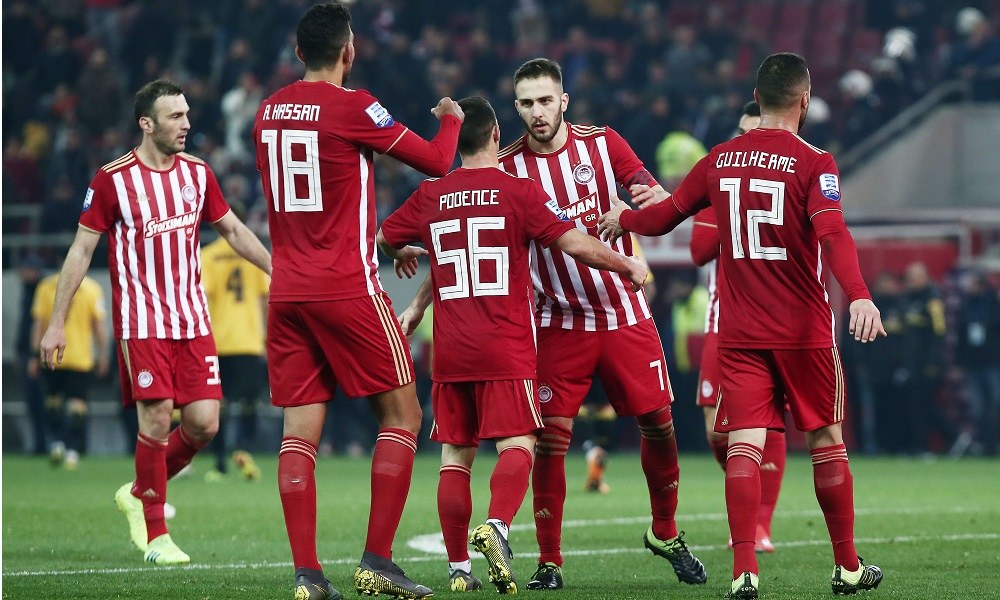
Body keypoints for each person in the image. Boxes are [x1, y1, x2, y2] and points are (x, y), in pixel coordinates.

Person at [599, 53, 887, 599]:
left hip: (739, 333)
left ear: (756, 99)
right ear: (804, 101)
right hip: (803, 331)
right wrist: (860, 296)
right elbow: (834, 235)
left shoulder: (720, 159)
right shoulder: (815, 162)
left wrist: (624, 218)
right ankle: (847, 567)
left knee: (743, 447)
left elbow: (665, 217)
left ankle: (744, 571)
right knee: (826, 440)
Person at [380, 96, 647, 595]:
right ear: (497, 134)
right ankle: (498, 525)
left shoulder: (430, 194)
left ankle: (459, 570)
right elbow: (574, 242)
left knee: (455, 456)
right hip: (505, 343)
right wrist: (625, 263)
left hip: (451, 348)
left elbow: (383, 237)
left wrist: (405, 252)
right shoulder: (517, 191)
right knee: (519, 444)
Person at [250, 4, 464, 599]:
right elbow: (437, 161)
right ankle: (377, 561)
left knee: (299, 434)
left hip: (287, 292)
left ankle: (308, 576)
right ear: (349, 51)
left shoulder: (268, 112)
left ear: (299, 53)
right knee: (403, 417)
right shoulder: (354, 106)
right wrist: (451, 119)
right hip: (346, 285)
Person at [39, 78, 272, 566]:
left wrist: (277, 269)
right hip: (141, 321)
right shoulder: (112, 180)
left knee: (204, 424)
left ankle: (139, 489)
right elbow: (81, 251)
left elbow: (232, 229)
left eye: (186, 114)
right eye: (175, 116)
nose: (186, 124)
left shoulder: (198, 174)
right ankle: (157, 533)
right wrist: (57, 322)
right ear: (147, 124)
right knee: (159, 415)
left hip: (193, 320)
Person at [499, 57, 707, 590]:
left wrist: (640, 207)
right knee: (551, 440)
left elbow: (656, 199)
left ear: (564, 101)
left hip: (623, 311)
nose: (538, 112)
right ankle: (550, 561)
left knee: (659, 423)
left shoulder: (602, 143)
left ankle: (665, 532)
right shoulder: (506, 168)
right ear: (516, 107)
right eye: (528, 103)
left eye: (547, 101)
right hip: (557, 319)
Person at [690, 101, 786, 553]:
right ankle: (747, 503)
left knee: (770, 422)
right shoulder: (718, 180)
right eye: (743, 132)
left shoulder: (786, 179)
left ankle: (759, 524)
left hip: (774, 320)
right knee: (717, 430)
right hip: (722, 319)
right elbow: (698, 251)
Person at [200, 201, 268, 482]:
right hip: (249, 340)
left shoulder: (208, 255)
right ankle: (245, 452)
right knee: (250, 401)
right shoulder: (253, 253)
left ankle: (219, 463)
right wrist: (267, 336)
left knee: (219, 403)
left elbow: (203, 299)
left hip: (218, 340)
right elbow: (265, 298)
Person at [31, 271, 109, 470]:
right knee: (77, 406)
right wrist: (103, 355)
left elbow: (39, 324)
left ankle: (57, 444)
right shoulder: (92, 288)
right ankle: (73, 451)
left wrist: (34, 355)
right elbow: (99, 326)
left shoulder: (46, 286)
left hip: (51, 354)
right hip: (80, 358)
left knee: (53, 401)